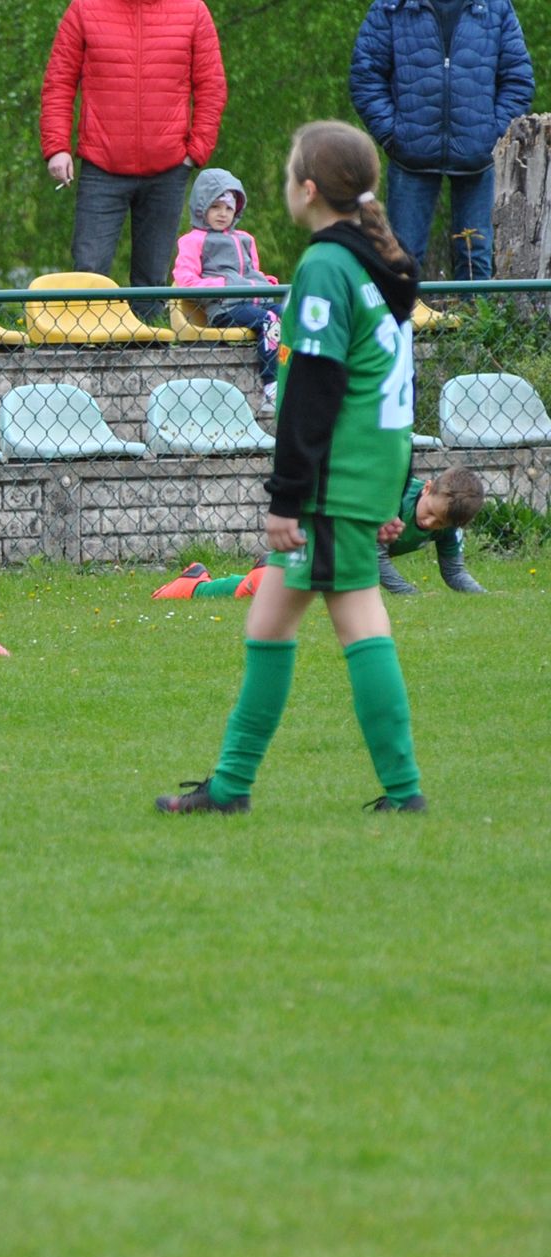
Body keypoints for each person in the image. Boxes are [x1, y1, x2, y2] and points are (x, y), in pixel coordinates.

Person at [157, 121, 426, 817]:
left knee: (360, 619)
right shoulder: (377, 259)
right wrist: (387, 483)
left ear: (308, 189)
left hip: (336, 475)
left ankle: (404, 792)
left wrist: (287, 498)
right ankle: (229, 785)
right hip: (365, 466)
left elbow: (311, 389)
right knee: (268, 623)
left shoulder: (327, 267)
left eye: (286, 172)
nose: (281, 184)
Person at [41, 0, 228, 316]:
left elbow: (212, 87)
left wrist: (195, 151)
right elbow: (58, 82)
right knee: (88, 272)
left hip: (168, 170)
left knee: (151, 281)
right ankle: (82, 354)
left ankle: (148, 352)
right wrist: (57, 146)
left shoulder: (193, 10)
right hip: (102, 167)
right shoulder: (84, 9)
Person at [350, 0, 535, 281]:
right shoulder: (392, 8)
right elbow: (366, 77)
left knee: (476, 261)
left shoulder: (495, 7)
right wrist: (392, 135)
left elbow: (518, 79)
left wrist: (492, 136)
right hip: (410, 156)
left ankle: (476, 326)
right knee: (401, 261)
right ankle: (402, 325)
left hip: (478, 158)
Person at [174, 167, 282, 405]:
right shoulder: (193, 241)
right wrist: (224, 284)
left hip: (253, 300)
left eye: (229, 208)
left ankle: (292, 375)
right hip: (224, 308)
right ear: (202, 207)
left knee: (289, 316)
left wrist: (265, 282)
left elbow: (251, 271)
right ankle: (271, 386)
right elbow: (185, 280)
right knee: (268, 320)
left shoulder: (244, 239)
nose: (223, 214)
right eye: (215, 207)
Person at [378, 466, 489, 594]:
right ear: (427, 488)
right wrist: (409, 593)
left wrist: (483, 594)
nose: (429, 522)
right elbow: (374, 557)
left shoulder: (450, 527)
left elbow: (454, 572)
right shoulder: (396, 500)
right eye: (430, 511)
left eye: (440, 523)